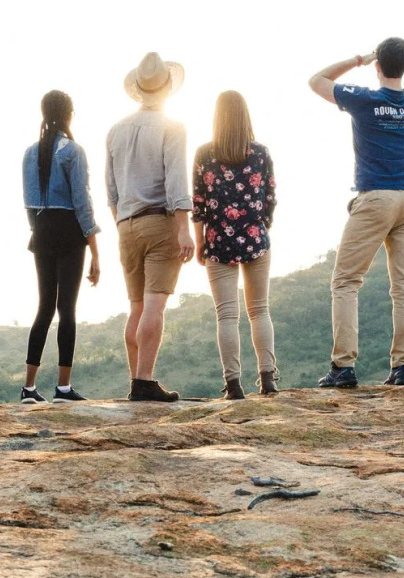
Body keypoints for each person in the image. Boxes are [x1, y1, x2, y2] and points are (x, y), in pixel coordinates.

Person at [307, 37, 404, 388]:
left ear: (378, 66)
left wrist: (358, 60)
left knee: (346, 281)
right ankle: (402, 367)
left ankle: (344, 366)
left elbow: (317, 80)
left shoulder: (364, 99)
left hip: (376, 197)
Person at [105, 52, 195, 402]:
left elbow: (111, 190)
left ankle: (136, 380)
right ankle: (144, 380)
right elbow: (176, 181)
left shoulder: (115, 130)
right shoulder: (172, 127)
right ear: (168, 88)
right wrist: (183, 228)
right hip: (159, 221)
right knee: (155, 306)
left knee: (137, 306)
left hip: (126, 225)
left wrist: (122, 224)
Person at [192, 90, 279, 400]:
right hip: (255, 237)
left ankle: (233, 385)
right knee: (259, 311)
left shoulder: (204, 154)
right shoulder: (260, 153)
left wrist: (200, 242)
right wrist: (261, 225)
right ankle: (268, 378)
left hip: (219, 241)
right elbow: (270, 196)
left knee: (227, 316)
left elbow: (198, 204)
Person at [20, 90, 101, 404]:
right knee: (67, 309)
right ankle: (63, 389)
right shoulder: (73, 151)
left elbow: (29, 203)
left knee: (44, 308)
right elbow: (82, 203)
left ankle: (28, 388)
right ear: (69, 114)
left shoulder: (30, 152)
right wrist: (95, 251)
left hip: (41, 231)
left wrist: (39, 230)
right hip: (69, 232)